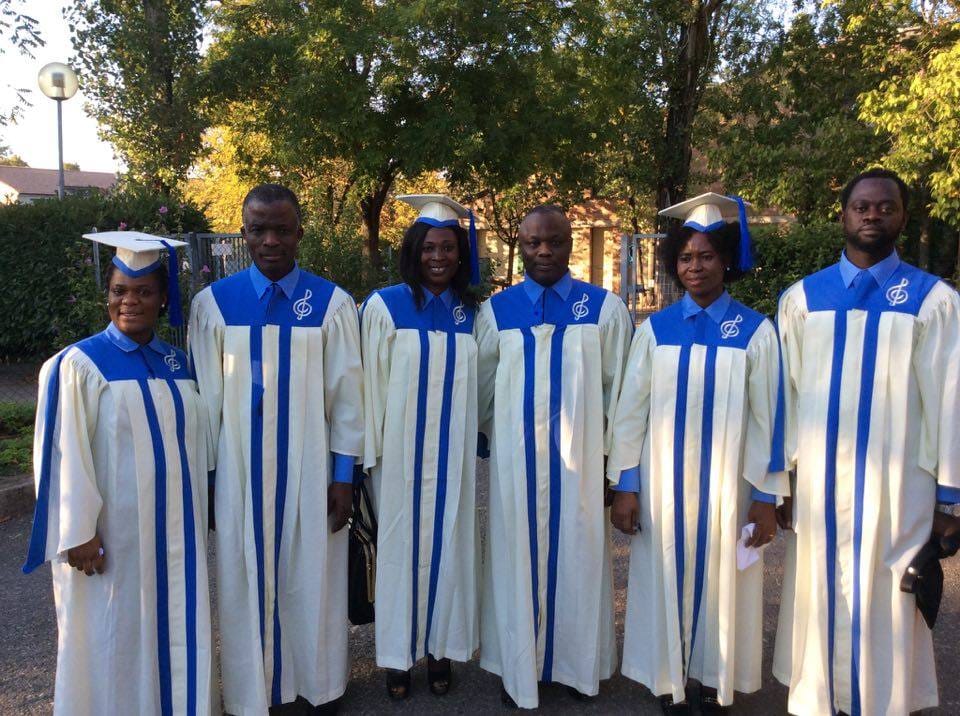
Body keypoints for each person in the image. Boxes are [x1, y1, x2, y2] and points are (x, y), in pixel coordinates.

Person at [774, 168, 960, 715]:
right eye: (862, 206)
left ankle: (884, 702)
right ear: (843, 215)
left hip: (898, 486)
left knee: (890, 596)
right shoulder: (803, 299)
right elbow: (786, 396)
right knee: (819, 587)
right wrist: (780, 480)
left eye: (885, 206)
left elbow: (950, 401)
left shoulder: (933, 301)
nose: (872, 215)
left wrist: (949, 500)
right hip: (819, 484)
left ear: (903, 216)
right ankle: (821, 698)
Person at [606, 194, 788, 714]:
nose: (695, 266)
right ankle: (670, 678)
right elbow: (630, 415)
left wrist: (765, 498)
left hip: (730, 487)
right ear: (674, 264)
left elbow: (770, 421)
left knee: (725, 581)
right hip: (663, 487)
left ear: (726, 259)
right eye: (685, 257)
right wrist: (626, 486)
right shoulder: (655, 331)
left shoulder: (755, 332)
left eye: (706, 256)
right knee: (664, 574)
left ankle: (713, 679)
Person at [189, 184, 364, 715]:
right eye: (258, 229)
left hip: (311, 467)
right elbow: (206, 404)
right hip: (239, 469)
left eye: (282, 230)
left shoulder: (331, 304)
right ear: (243, 233)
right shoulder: (214, 305)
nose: (270, 240)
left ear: (299, 233)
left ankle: (320, 684)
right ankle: (253, 691)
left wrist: (344, 476)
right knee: (243, 579)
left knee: (314, 577)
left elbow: (348, 399)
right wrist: (211, 477)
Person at [23, 232, 215, 715]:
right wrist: (78, 532)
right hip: (112, 538)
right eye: (119, 291)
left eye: (144, 291)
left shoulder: (178, 364)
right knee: (114, 632)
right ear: (106, 295)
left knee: (175, 624)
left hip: (177, 534)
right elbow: (61, 454)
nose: (130, 301)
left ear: (163, 298)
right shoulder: (78, 365)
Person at [475, 204, 633, 708]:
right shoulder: (497, 312)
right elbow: (482, 391)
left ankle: (574, 668)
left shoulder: (603, 309)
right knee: (514, 562)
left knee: (579, 562)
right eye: (533, 243)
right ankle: (518, 668)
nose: (544, 251)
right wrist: (499, 442)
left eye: (555, 241)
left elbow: (619, 395)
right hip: (516, 466)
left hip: (581, 465)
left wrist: (614, 467)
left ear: (570, 243)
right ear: (520, 245)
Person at [360, 194, 482, 700]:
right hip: (398, 459)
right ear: (413, 251)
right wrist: (367, 457)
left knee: (450, 549)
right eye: (429, 247)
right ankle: (397, 655)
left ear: (460, 254)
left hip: (453, 459)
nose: (438, 256)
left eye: (448, 248)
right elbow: (369, 387)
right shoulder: (384, 306)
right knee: (398, 553)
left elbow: (486, 384)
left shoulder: (473, 313)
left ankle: (440, 649)